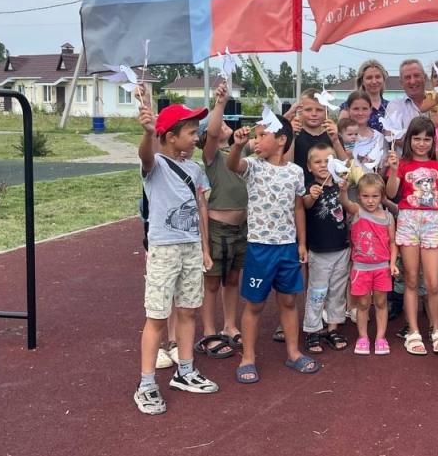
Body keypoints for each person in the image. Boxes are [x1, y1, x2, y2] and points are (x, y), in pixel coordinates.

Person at [134, 100, 218, 415]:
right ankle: (146, 383)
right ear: (170, 136)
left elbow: (199, 210)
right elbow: (145, 156)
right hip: (164, 249)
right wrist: (147, 133)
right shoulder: (155, 165)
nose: (197, 137)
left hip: (191, 247)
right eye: (191, 132)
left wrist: (205, 249)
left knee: (188, 311)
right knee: (157, 316)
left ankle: (185, 370)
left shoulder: (194, 169)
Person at [227, 115, 320, 383]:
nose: (255, 141)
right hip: (260, 248)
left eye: (261, 136)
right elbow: (233, 165)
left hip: (287, 247)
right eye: (255, 136)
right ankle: (248, 357)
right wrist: (237, 146)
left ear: (281, 140)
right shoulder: (253, 166)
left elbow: (298, 208)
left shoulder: (295, 172)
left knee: (289, 301)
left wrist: (301, 243)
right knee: (255, 304)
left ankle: (293, 352)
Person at [386, 116, 438, 356]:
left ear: (433, 141)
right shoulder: (402, 164)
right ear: (409, 140)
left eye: (426, 139)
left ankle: (437, 329)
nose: (421, 144)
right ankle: (413, 331)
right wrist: (393, 170)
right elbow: (391, 193)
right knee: (411, 279)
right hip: (408, 221)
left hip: (432, 223)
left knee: (433, 281)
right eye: (417, 139)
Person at [195, 80, 247, 360]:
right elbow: (213, 132)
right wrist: (220, 103)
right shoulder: (211, 156)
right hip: (218, 227)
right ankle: (209, 330)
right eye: (221, 123)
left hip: (241, 227)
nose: (225, 125)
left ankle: (229, 324)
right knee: (213, 281)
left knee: (232, 279)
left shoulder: (240, 151)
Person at [340, 172, 398, 355]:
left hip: (382, 267)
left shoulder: (388, 217)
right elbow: (345, 203)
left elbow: (392, 242)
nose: (370, 201)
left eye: (375, 196)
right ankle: (363, 337)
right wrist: (343, 191)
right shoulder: (357, 211)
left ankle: (381, 337)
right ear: (359, 196)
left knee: (380, 302)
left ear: (382, 196)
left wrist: (392, 263)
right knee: (363, 304)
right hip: (361, 268)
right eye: (365, 196)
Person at [301, 143, 351, 354]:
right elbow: (305, 204)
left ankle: (333, 328)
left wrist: (344, 191)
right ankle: (312, 329)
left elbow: (348, 207)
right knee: (317, 292)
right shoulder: (309, 187)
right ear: (309, 166)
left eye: (328, 161)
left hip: (341, 248)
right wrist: (311, 196)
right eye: (318, 162)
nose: (323, 165)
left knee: (338, 291)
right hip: (319, 250)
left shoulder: (340, 185)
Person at [288, 87, 348, 172]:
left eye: (319, 110)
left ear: (326, 112)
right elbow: (286, 167)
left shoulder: (332, 135)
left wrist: (335, 141)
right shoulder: (294, 134)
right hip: (300, 180)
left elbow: (346, 167)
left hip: (328, 181)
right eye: (308, 110)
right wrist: (291, 137)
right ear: (299, 112)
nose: (314, 114)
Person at [338, 59, 389, 130]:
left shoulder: (390, 107)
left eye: (378, 77)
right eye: (369, 78)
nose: (374, 81)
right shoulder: (348, 107)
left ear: (383, 79)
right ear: (362, 81)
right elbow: (341, 133)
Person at [384, 58, 428, 130]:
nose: (412, 81)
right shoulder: (395, 106)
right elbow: (391, 135)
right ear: (401, 82)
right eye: (407, 77)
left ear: (425, 78)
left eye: (416, 75)